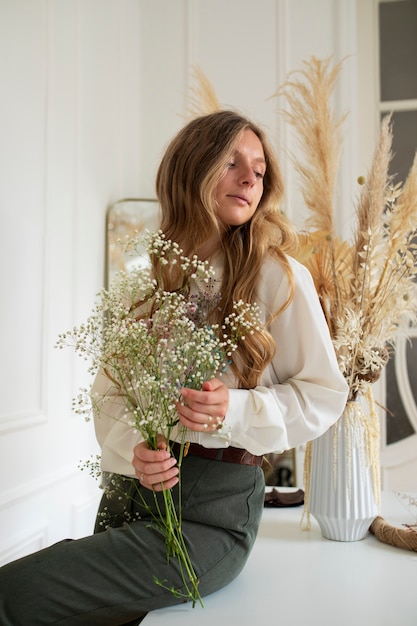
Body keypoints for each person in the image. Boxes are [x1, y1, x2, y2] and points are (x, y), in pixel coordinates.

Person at [0, 110, 349, 625]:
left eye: (258, 168)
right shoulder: (147, 287)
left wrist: (234, 407)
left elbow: (324, 395)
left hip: (212, 519)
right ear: (191, 171)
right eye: (231, 162)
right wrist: (134, 450)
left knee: (16, 593)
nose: (250, 177)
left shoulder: (279, 277)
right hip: (126, 499)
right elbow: (110, 399)